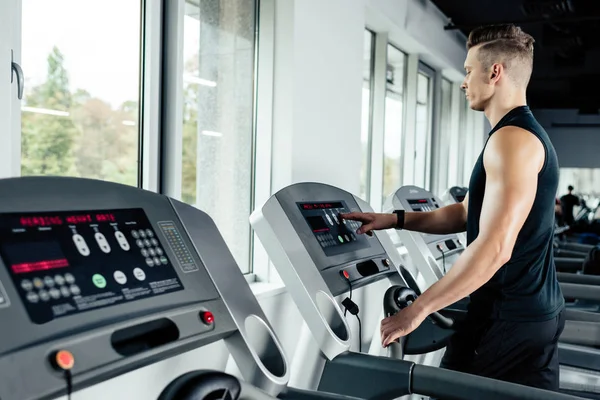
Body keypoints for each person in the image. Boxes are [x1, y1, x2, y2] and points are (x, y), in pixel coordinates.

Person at [340, 24, 565, 391]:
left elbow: (494, 249)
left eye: (467, 71)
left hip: (508, 318)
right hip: (529, 312)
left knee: (446, 389)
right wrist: (393, 219)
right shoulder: (513, 135)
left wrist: (418, 310)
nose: (463, 82)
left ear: (495, 72)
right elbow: (463, 213)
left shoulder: (512, 141)